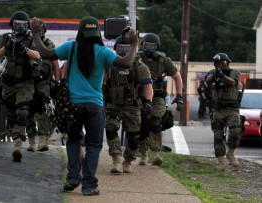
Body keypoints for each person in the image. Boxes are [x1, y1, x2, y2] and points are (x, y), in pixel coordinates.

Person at [31, 16, 139, 196]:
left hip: (72, 105)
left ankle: (73, 177)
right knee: (94, 145)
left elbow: (45, 54)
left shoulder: (71, 48)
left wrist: (35, 34)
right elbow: (126, 63)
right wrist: (134, 44)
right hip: (95, 106)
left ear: (80, 32)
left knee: (73, 140)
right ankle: (88, 184)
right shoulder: (103, 52)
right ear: (97, 33)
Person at [0, 11, 41, 162]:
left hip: (25, 83)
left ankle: (18, 146)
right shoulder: (5, 38)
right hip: (8, 84)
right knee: (11, 117)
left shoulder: (30, 39)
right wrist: (6, 48)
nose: (20, 27)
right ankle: (16, 139)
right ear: (12, 25)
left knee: (22, 113)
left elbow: (38, 56)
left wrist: (23, 49)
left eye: (24, 25)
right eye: (18, 24)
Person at [104, 35, 153, 173]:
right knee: (110, 128)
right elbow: (102, 81)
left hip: (132, 106)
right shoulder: (110, 64)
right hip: (114, 104)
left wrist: (148, 101)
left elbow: (148, 86)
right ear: (116, 48)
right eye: (120, 48)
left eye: (127, 48)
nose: (123, 51)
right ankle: (116, 159)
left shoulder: (139, 66)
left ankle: (128, 160)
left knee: (133, 138)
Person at [137, 33, 183, 166]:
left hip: (157, 97)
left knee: (156, 122)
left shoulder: (164, 60)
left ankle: (156, 154)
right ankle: (143, 153)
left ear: (157, 47)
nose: (149, 48)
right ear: (142, 45)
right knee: (141, 125)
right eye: (147, 45)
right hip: (140, 97)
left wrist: (179, 96)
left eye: (152, 46)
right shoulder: (138, 58)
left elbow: (177, 77)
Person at [26, 20, 60, 152]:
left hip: (44, 81)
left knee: (43, 110)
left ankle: (43, 139)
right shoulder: (29, 42)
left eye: (40, 30)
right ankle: (31, 139)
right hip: (28, 81)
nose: (38, 32)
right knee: (27, 110)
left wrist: (57, 83)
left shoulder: (48, 44)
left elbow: (56, 64)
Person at [205, 53, 242, 171]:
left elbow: (233, 82)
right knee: (217, 135)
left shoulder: (235, 72)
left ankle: (230, 153)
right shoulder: (213, 72)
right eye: (219, 64)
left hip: (232, 109)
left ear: (228, 63)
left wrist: (222, 76)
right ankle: (221, 162)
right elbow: (207, 81)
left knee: (236, 131)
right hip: (218, 109)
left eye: (224, 63)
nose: (221, 66)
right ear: (215, 64)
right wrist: (215, 74)